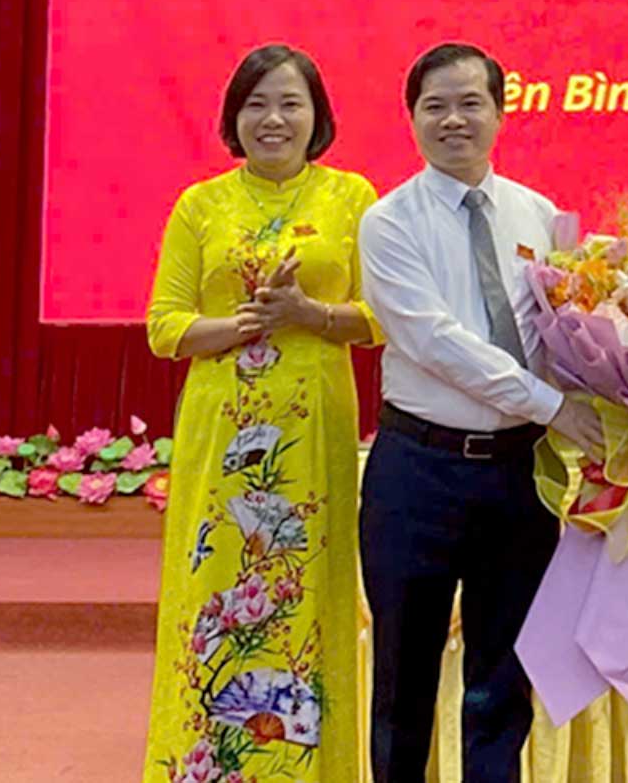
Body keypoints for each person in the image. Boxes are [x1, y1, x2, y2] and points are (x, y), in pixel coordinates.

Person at [357, 43, 603, 782]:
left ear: (500, 111)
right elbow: (437, 341)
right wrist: (554, 405)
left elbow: (561, 336)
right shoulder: (388, 221)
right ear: (412, 119)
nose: (453, 119)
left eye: (470, 103)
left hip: (517, 476)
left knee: (502, 680)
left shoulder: (539, 216)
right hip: (418, 473)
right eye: (435, 105)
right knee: (405, 677)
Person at [144, 44, 384, 781]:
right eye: (256, 104)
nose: (273, 118)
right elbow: (163, 326)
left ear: (318, 118)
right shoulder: (201, 204)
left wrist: (309, 314)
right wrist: (246, 325)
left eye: (290, 103)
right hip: (222, 433)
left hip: (313, 432)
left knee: (307, 590)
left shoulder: (353, 198)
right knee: (216, 591)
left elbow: (382, 316)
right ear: (233, 117)